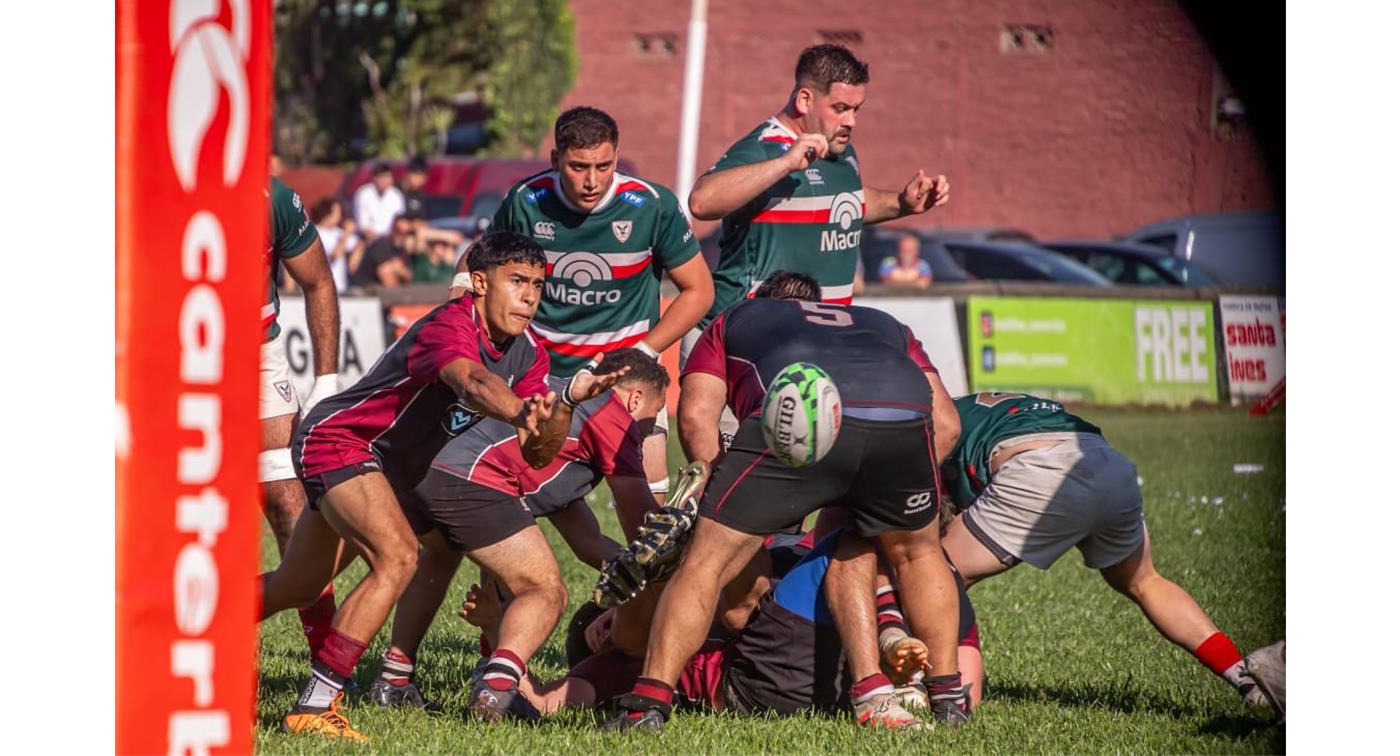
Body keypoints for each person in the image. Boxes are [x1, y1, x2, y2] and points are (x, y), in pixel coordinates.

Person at [262, 232, 630, 742]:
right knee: (400, 557)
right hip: (340, 441)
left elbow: (537, 452)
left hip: (384, 470)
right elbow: (472, 383)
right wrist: (523, 411)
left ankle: (178, 632)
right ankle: (316, 706)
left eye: (538, 286)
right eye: (517, 282)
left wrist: (563, 400)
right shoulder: (449, 324)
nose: (529, 296)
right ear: (479, 283)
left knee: (296, 586)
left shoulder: (529, 355)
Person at [600, 271, 968, 733]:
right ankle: (949, 698)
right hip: (901, 423)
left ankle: (647, 706)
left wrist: (719, 494)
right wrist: (880, 484)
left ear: (758, 298)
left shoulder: (735, 318)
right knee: (918, 553)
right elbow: (948, 425)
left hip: (793, 421)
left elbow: (695, 417)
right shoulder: (885, 322)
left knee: (705, 565)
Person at [938, 392, 1286, 716]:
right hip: (1106, 461)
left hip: (1040, 465)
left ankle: (945, 688)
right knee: (1146, 582)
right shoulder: (969, 407)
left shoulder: (930, 424)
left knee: (937, 574)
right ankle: (1246, 678)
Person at [365, 348, 669, 716]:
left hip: (419, 468)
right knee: (545, 591)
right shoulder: (610, 414)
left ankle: (393, 681)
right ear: (635, 399)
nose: (648, 431)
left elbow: (588, 543)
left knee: (440, 558)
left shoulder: (569, 426)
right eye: (652, 419)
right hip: (468, 478)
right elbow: (645, 525)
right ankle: (497, 689)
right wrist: (676, 575)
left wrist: (631, 583)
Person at [681, 43, 950, 443]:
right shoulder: (763, 147)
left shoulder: (843, 155)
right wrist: (786, 163)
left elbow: (846, 203)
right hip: (742, 339)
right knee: (734, 480)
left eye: (857, 109)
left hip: (817, 344)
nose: (851, 121)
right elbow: (702, 201)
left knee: (802, 478)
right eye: (840, 108)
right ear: (805, 99)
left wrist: (901, 203)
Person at [484, 528, 982, 723]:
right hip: (761, 670)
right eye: (601, 636)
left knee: (889, 558)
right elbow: (539, 703)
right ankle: (891, 669)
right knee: (858, 541)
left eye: (602, 625)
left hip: (816, 663)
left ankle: (905, 676)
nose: (605, 633)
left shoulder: (683, 615)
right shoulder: (621, 668)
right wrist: (498, 636)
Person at [481, 106, 715, 502]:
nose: (592, 180)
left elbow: (699, 291)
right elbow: (480, 264)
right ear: (556, 160)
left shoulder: (652, 205)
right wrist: (459, 296)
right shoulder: (525, 201)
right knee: (506, 500)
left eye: (604, 166)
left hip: (626, 379)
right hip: (542, 379)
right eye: (577, 167)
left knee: (648, 518)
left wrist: (644, 352)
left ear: (616, 156)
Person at [260, 177, 342, 661]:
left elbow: (318, 281)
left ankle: (325, 658)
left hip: (254, 352)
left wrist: (326, 380)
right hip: (163, 353)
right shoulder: (140, 188)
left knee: (288, 501)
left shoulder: (270, 198)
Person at [310, 197, 360, 293]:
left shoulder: (338, 232)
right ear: (327, 214)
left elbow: (359, 244)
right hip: (321, 289)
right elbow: (335, 255)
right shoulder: (315, 233)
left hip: (340, 287)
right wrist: (347, 233)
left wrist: (354, 258)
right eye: (337, 213)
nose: (340, 216)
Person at [351, 214, 414, 288]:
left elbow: (409, 275)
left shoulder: (402, 250)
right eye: (398, 231)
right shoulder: (382, 245)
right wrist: (398, 269)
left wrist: (400, 270)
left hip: (382, 289)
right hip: (367, 285)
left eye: (406, 233)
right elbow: (383, 271)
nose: (401, 236)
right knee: (387, 270)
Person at [354, 161, 406, 241]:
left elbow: (400, 221)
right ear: (374, 178)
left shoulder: (397, 195)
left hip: (390, 238)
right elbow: (363, 225)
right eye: (381, 177)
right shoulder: (363, 194)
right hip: (367, 238)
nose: (384, 180)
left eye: (387, 177)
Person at [401, 155, 429, 220]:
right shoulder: (394, 191)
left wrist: (412, 225)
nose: (418, 179)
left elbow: (422, 220)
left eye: (422, 176)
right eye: (416, 174)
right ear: (408, 173)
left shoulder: (421, 196)